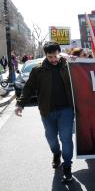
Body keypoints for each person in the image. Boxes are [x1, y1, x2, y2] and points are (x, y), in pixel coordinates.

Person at [14, 42, 75, 183]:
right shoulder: (38, 70)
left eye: (55, 56)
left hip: (66, 110)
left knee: (66, 138)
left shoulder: (69, 66)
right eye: (50, 56)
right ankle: (56, 154)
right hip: (47, 111)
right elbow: (28, 88)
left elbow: (85, 74)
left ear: (60, 53)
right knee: (51, 139)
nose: (53, 59)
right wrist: (20, 104)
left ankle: (67, 167)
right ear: (45, 55)